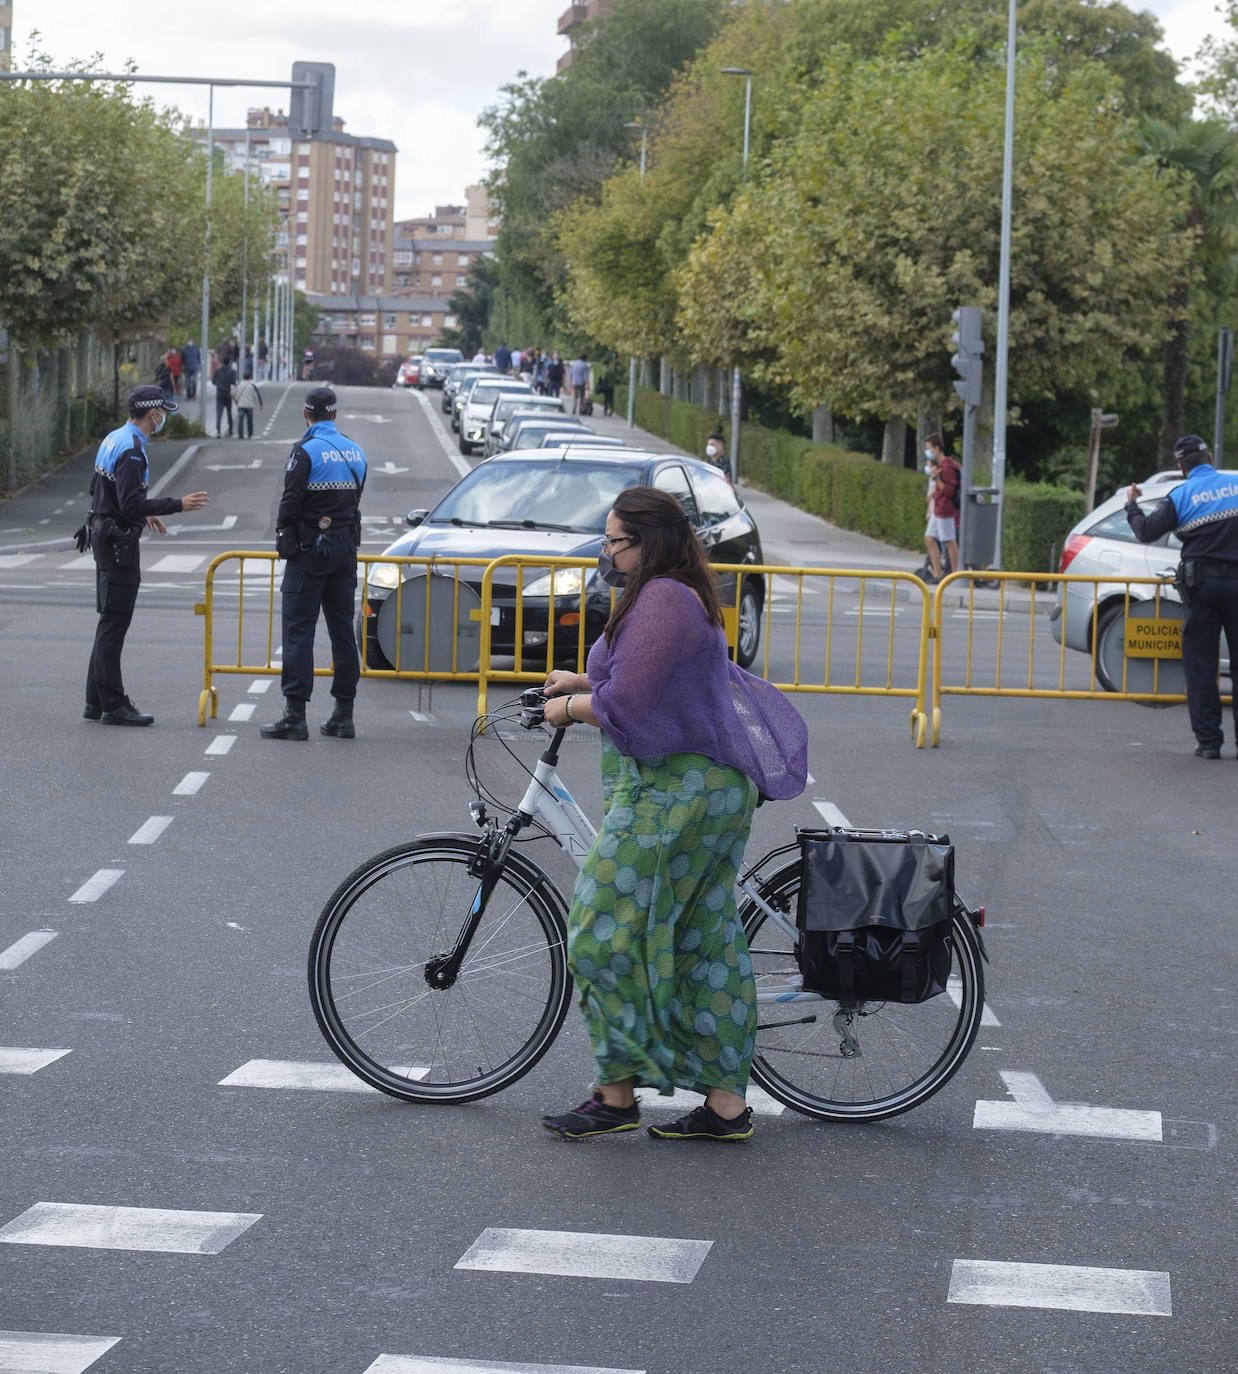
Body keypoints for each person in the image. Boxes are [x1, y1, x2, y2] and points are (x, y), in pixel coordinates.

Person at [538, 486, 808, 1143]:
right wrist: (580, 682)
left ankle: (616, 1096)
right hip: (701, 790)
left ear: (648, 543)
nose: (606, 553)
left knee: (599, 928)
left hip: (677, 795)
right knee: (704, 941)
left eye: (615, 542)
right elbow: (646, 679)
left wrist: (570, 709)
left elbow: (628, 702)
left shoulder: (663, 598)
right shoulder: (670, 595)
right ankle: (724, 1110)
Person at [84, 386, 209, 726]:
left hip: (102, 533)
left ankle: (95, 702)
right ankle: (113, 704)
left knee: (108, 619)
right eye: (162, 411)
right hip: (118, 543)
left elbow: (99, 491)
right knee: (115, 622)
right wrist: (175, 505)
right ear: (152, 413)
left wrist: (139, 511)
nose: (163, 417)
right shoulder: (134, 449)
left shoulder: (114, 438)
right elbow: (129, 504)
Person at [260, 387, 368, 742]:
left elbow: (289, 502)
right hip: (344, 550)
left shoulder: (304, 451)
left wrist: (283, 531)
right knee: (341, 632)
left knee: (299, 630)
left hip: (309, 551)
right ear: (335, 414)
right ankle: (344, 714)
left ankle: (295, 715)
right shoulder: (357, 451)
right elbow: (355, 499)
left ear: (306, 414)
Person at [1126, 433, 1238, 758]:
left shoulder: (1182, 495)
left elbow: (1146, 531)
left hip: (1202, 588)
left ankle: (1209, 743)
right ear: (1211, 458)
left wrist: (1131, 505)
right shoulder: (1235, 486)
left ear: (1181, 466)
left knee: (1201, 666)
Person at [923, 435, 960, 582]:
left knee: (949, 541)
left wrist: (936, 479)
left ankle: (954, 575)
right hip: (938, 508)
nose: (928, 452)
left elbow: (949, 491)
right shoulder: (940, 466)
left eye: (929, 449)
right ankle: (937, 574)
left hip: (945, 509)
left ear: (937, 448)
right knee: (929, 538)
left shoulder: (947, 467)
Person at [232, 370, 264, 440]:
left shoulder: (239, 384)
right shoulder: (252, 385)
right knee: (250, 420)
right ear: (250, 377)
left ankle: (240, 435)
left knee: (241, 420)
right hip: (249, 405)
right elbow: (258, 394)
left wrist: (236, 401)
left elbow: (232, 394)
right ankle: (250, 434)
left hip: (241, 405)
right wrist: (261, 404)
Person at [213, 354, 236, 437]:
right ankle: (230, 430)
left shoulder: (217, 371)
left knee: (219, 413)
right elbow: (233, 382)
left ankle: (218, 430)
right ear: (229, 362)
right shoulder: (232, 371)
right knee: (229, 413)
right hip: (227, 394)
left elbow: (213, 381)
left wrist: (219, 384)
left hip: (219, 393)